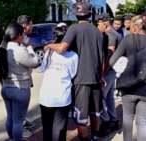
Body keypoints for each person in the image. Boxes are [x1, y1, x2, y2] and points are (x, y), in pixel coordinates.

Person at [44, 1, 105, 141]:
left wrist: (49, 45)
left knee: (81, 114)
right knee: (95, 112)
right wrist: (101, 77)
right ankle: (95, 136)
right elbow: (102, 57)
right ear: (90, 14)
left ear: (76, 15)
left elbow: (62, 48)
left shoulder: (73, 29)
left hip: (80, 79)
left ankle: (84, 139)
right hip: (96, 77)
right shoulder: (98, 32)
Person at [109, 15, 146, 141]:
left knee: (127, 118)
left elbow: (112, 61)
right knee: (142, 121)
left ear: (133, 27)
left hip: (129, 85)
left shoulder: (128, 39)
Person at [0, 23, 39, 141]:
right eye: (23, 34)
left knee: (10, 118)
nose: (24, 36)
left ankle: (11, 139)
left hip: (5, 88)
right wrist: (29, 47)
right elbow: (35, 62)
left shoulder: (0, 50)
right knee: (18, 121)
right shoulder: (20, 50)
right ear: (19, 35)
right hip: (20, 90)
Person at [39, 25, 78, 141]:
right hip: (63, 97)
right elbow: (73, 74)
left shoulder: (49, 52)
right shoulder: (74, 56)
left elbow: (42, 69)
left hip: (46, 96)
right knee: (59, 129)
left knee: (47, 128)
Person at [97, 13, 119, 136]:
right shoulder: (114, 33)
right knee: (109, 97)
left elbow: (110, 54)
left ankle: (105, 122)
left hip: (108, 71)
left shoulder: (110, 35)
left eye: (98, 23)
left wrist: (102, 74)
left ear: (105, 24)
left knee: (100, 98)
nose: (97, 26)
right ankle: (114, 120)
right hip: (112, 70)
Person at [16, 15, 37, 138]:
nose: (32, 26)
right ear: (25, 26)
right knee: (19, 104)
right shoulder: (18, 39)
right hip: (19, 78)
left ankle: (23, 121)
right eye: (31, 24)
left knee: (24, 103)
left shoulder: (24, 37)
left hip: (26, 75)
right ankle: (20, 128)